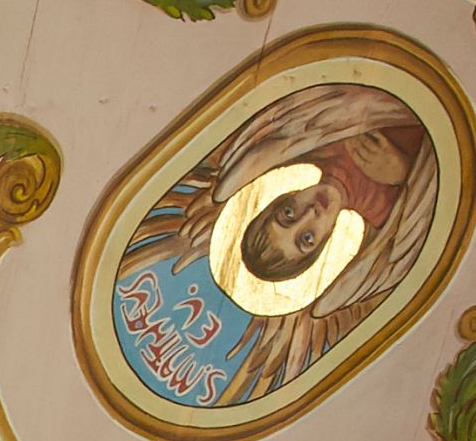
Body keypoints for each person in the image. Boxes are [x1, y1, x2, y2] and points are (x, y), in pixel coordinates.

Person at [118, 82, 439, 407]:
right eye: (307, 238)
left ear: (275, 199)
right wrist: (404, 172)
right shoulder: (384, 214)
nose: (310, 214)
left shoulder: (302, 145)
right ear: (322, 251)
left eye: (287, 214)